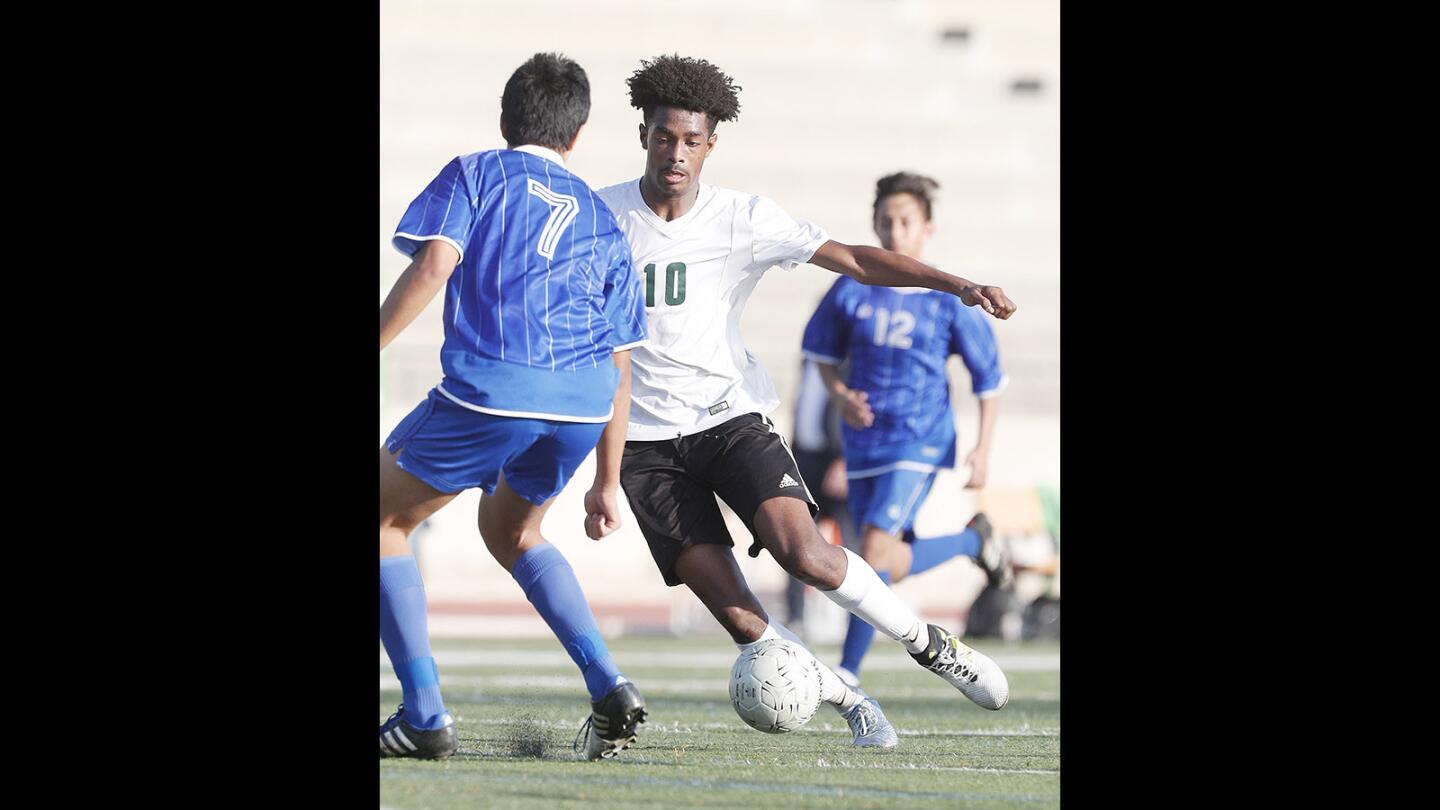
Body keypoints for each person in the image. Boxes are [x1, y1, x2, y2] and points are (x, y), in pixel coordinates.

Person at [585, 55, 1018, 748]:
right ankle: (853, 701)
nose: (676, 152)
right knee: (746, 625)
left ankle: (927, 642)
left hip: (730, 420)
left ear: (710, 145)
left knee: (808, 555)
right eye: (665, 136)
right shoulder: (598, 217)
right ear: (644, 134)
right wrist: (602, 476)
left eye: (691, 141)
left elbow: (855, 259)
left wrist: (956, 284)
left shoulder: (741, 217)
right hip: (644, 449)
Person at [378, 53, 649, 761]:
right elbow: (623, 361)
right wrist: (607, 480)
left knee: (380, 519)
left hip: (496, 390)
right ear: (578, 134)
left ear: (505, 120)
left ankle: (424, 715)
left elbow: (435, 264)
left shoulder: (476, 172)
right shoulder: (601, 216)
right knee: (513, 534)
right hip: (583, 408)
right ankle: (608, 682)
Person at [801, 171, 1014, 688]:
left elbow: (989, 378)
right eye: (886, 221)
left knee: (871, 556)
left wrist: (983, 447)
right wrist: (840, 396)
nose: (895, 231)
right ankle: (972, 542)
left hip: (920, 438)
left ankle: (848, 672)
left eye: (905, 221)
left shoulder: (945, 294)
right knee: (885, 560)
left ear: (927, 229)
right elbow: (821, 356)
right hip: (863, 443)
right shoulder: (852, 286)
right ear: (874, 225)